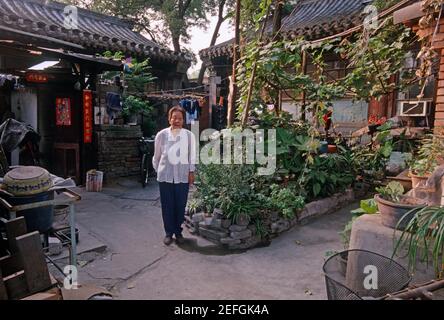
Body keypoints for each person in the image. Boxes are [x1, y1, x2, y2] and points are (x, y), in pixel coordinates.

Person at [152, 106, 196, 245]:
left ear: (183, 120)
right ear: (169, 119)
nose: (176, 120)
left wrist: (191, 172)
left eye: (179, 118)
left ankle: (178, 232)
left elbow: (192, 156)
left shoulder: (189, 136)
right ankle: (168, 233)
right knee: (167, 206)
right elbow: (157, 156)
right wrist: (159, 171)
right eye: (174, 117)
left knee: (180, 206)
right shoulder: (162, 135)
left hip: (182, 177)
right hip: (165, 177)